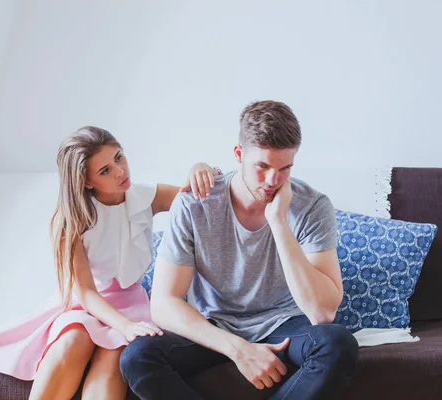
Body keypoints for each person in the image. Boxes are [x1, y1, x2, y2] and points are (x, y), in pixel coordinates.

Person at [120, 101, 359, 399]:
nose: (273, 181)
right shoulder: (195, 203)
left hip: (283, 325)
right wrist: (239, 349)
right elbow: (164, 303)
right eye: (262, 166)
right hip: (213, 325)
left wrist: (279, 223)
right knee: (137, 357)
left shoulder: (312, 206)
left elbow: (323, 312)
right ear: (239, 155)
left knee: (338, 344)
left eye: (285, 168)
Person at [0, 126, 219, 400]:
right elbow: (85, 292)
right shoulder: (71, 221)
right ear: (86, 182)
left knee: (115, 355)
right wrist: (124, 325)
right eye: (105, 170)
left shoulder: (147, 197)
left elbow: (200, 198)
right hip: (86, 303)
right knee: (75, 338)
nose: (120, 171)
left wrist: (202, 168)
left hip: (134, 302)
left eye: (119, 157)